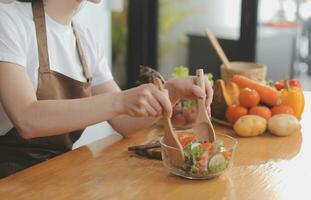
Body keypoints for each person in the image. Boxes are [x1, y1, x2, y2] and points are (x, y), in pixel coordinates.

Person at [0, 0, 213, 178]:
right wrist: (120, 101)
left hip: (57, 174)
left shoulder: (84, 38)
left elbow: (125, 123)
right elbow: (26, 118)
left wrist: (172, 90)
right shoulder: (8, 20)